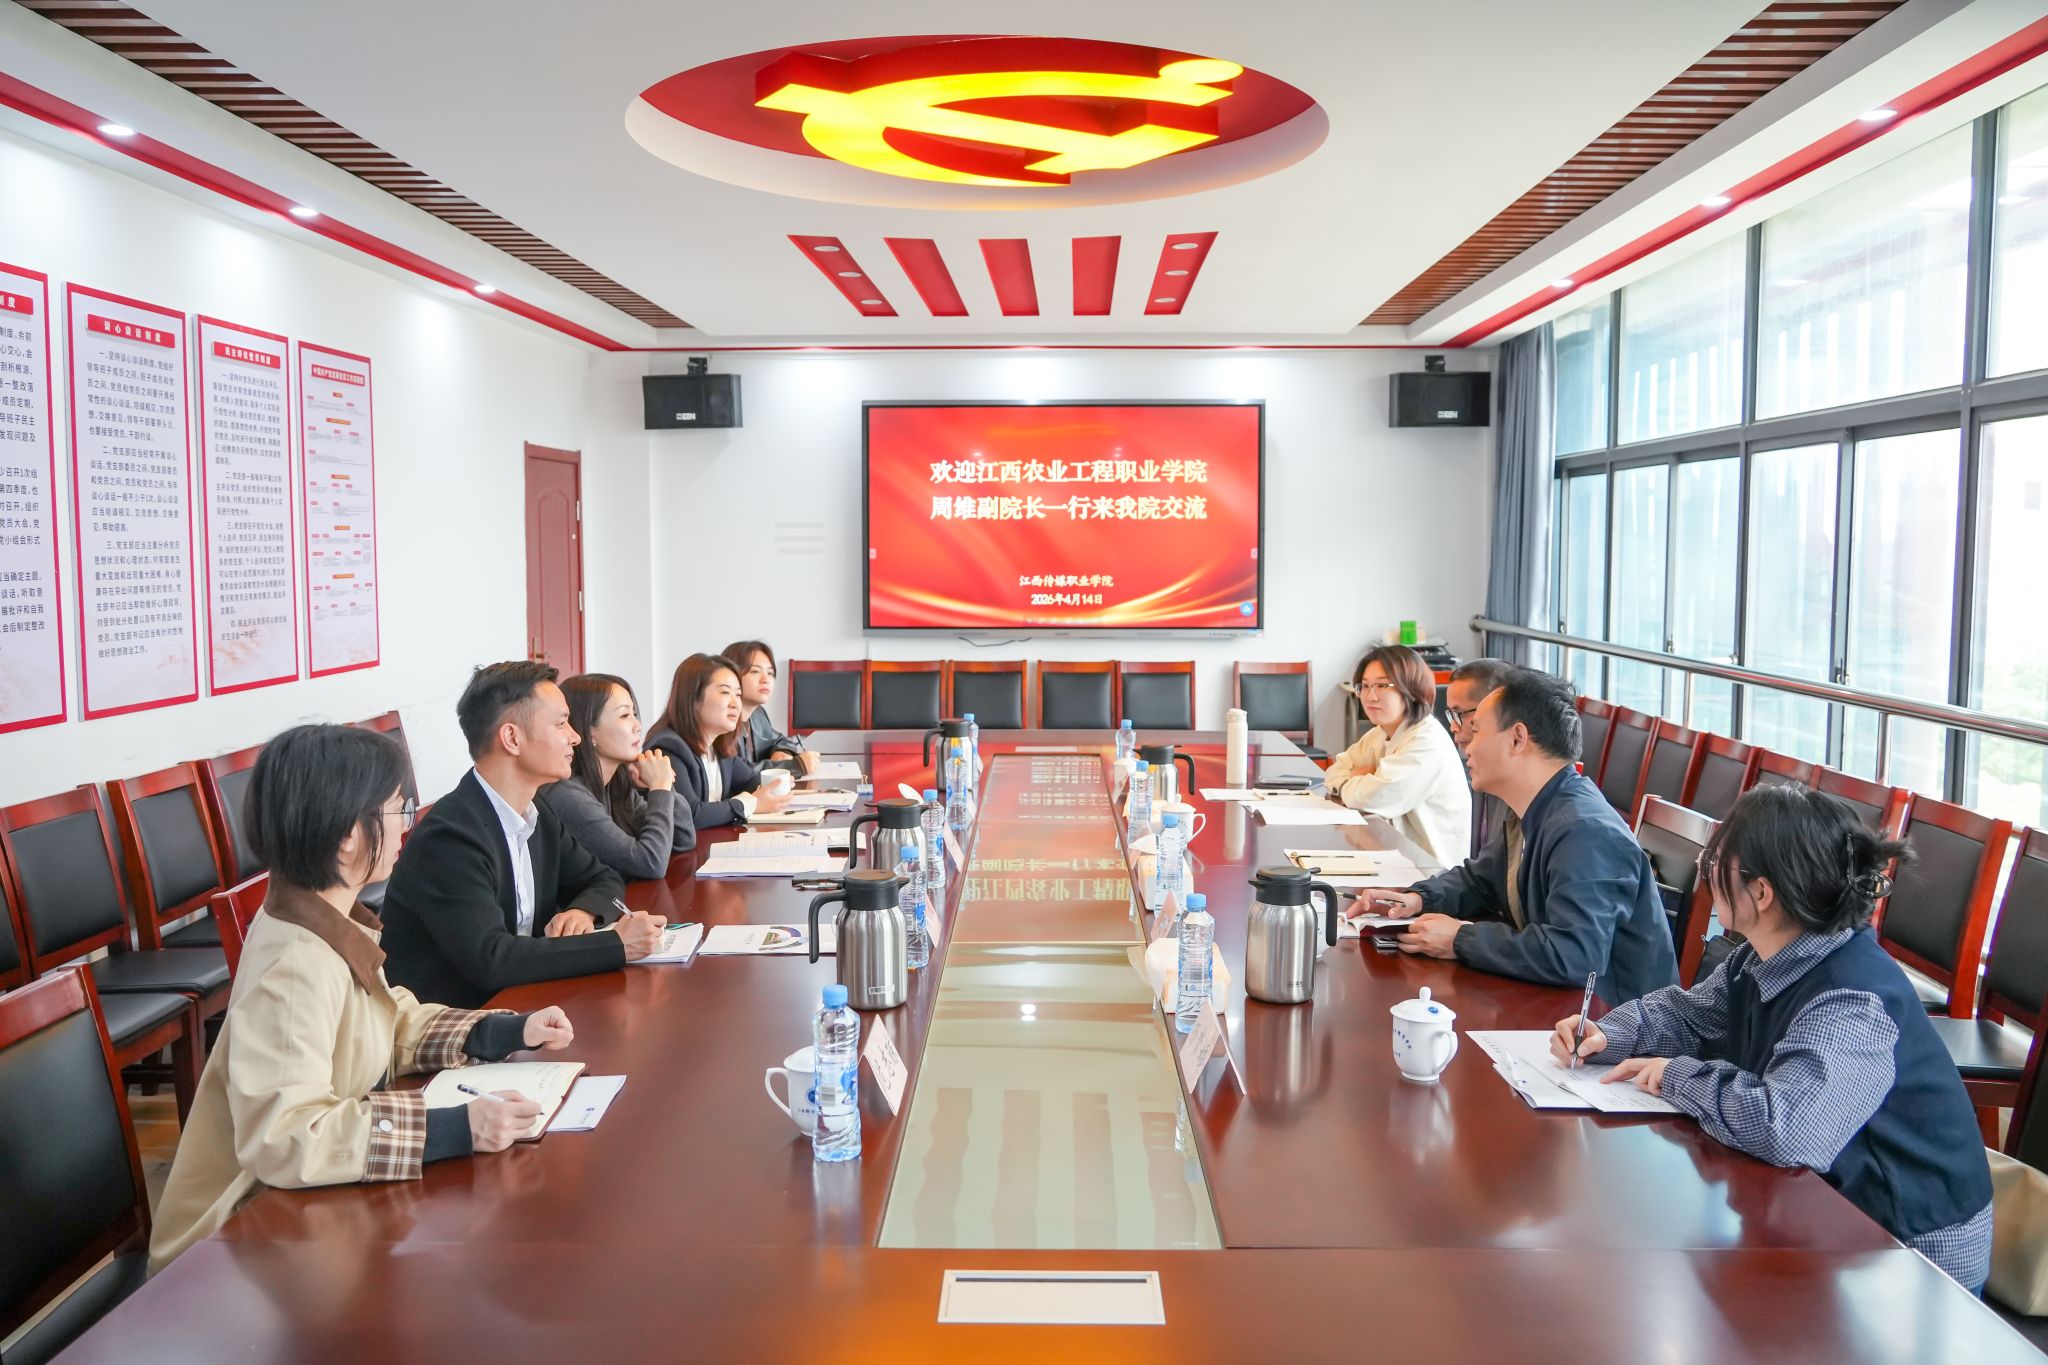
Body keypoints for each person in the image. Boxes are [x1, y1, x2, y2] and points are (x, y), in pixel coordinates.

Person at [149, 724, 577, 1271]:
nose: (406, 826)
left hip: (305, 1213)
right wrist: (455, 1127)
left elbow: (384, 1023)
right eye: (399, 809)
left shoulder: (327, 918)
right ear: (348, 834)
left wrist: (502, 1030)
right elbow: (287, 1138)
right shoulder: (294, 965)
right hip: (238, 1241)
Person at [1550, 785, 1993, 1292]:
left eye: (1715, 862)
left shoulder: (1852, 1002)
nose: (1707, 873)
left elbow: (1788, 1130)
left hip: (1907, 1253)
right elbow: (1691, 1016)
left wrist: (1676, 1076)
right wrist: (1610, 1035)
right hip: (1830, 1209)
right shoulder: (1765, 954)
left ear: (1761, 893)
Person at [1369, 667, 1677, 1004]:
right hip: (1562, 1007)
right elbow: (1480, 881)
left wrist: (1461, 939)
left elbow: (1575, 956)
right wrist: (1416, 899)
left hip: (1614, 1023)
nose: (1465, 744)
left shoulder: (1585, 830)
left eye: (1476, 730)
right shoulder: (1536, 808)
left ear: (1517, 738)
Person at [382, 662, 667, 1009]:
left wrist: (583, 913)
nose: (575, 737)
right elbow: (493, 959)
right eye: (561, 724)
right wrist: (617, 945)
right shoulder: (449, 837)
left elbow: (603, 878)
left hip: (524, 1007)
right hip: (456, 1025)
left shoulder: (536, 812)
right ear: (512, 738)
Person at [1322, 644, 1470, 867]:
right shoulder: (1382, 732)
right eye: (1365, 686)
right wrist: (1356, 781)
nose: (1370, 696)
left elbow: (1374, 796)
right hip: (1396, 857)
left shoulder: (1426, 741)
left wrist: (1348, 785)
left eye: (1383, 685)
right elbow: (1335, 771)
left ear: (1411, 688)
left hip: (1433, 872)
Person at [538, 672, 694, 877]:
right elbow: (650, 863)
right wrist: (660, 788)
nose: (638, 726)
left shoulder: (616, 785)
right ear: (589, 732)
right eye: (624, 716)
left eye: (634, 714)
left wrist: (664, 785)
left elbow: (683, 839)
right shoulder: (567, 794)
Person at [646, 653, 795, 829]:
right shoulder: (668, 748)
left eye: (738, 694)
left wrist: (775, 785)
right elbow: (691, 815)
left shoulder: (718, 744)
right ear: (694, 698)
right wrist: (750, 803)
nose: (735, 704)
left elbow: (750, 781)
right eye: (725, 692)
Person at [1445, 657, 1516, 858]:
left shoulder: (1520, 791)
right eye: (1451, 714)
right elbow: (1482, 869)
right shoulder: (1483, 776)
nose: (1453, 726)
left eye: (1459, 713)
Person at [723, 639, 818, 774]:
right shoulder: (722, 722)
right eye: (755, 671)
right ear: (731, 675)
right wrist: (796, 765)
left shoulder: (757, 714)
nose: (765, 680)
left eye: (770, 673)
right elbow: (737, 773)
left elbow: (781, 740)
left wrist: (781, 752)